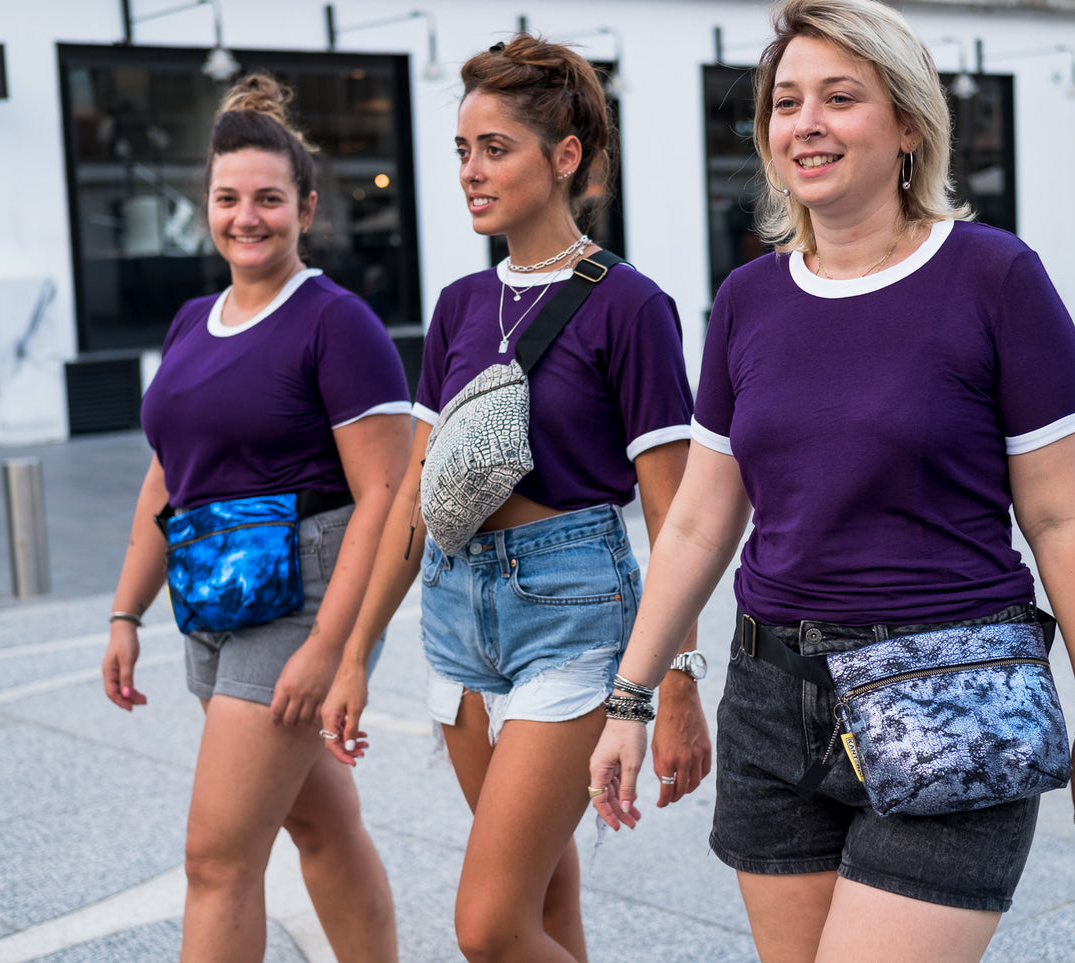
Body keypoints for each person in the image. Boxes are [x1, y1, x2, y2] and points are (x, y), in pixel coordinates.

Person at [587, 1, 1075, 961]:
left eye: (840, 98)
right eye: (785, 101)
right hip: (773, 700)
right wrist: (630, 699)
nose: (804, 122)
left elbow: (1058, 517)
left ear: (907, 125)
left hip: (949, 687)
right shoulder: (745, 298)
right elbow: (696, 525)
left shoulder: (994, 278)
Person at [318, 35, 712, 963]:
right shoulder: (456, 305)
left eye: (494, 148)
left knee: (488, 927)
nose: (468, 172)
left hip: (572, 614)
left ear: (563, 157)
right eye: (461, 150)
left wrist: (680, 679)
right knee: (543, 893)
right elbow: (414, 496)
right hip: (456, 618)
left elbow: (677, 514)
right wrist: (352, 655)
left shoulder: (631, 306)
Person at [100, 74, 409, 963]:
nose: (247, 216)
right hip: (209, 593)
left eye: (269, 199)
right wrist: (125, 611)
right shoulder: (194, 319)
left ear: (306, 208)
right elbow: (167, 473)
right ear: (207, 204)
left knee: (215, 858)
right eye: (228, 198)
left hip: (301, 594)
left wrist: (331, 647)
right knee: (320, 822)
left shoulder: (337, 323)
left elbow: (384, 497)